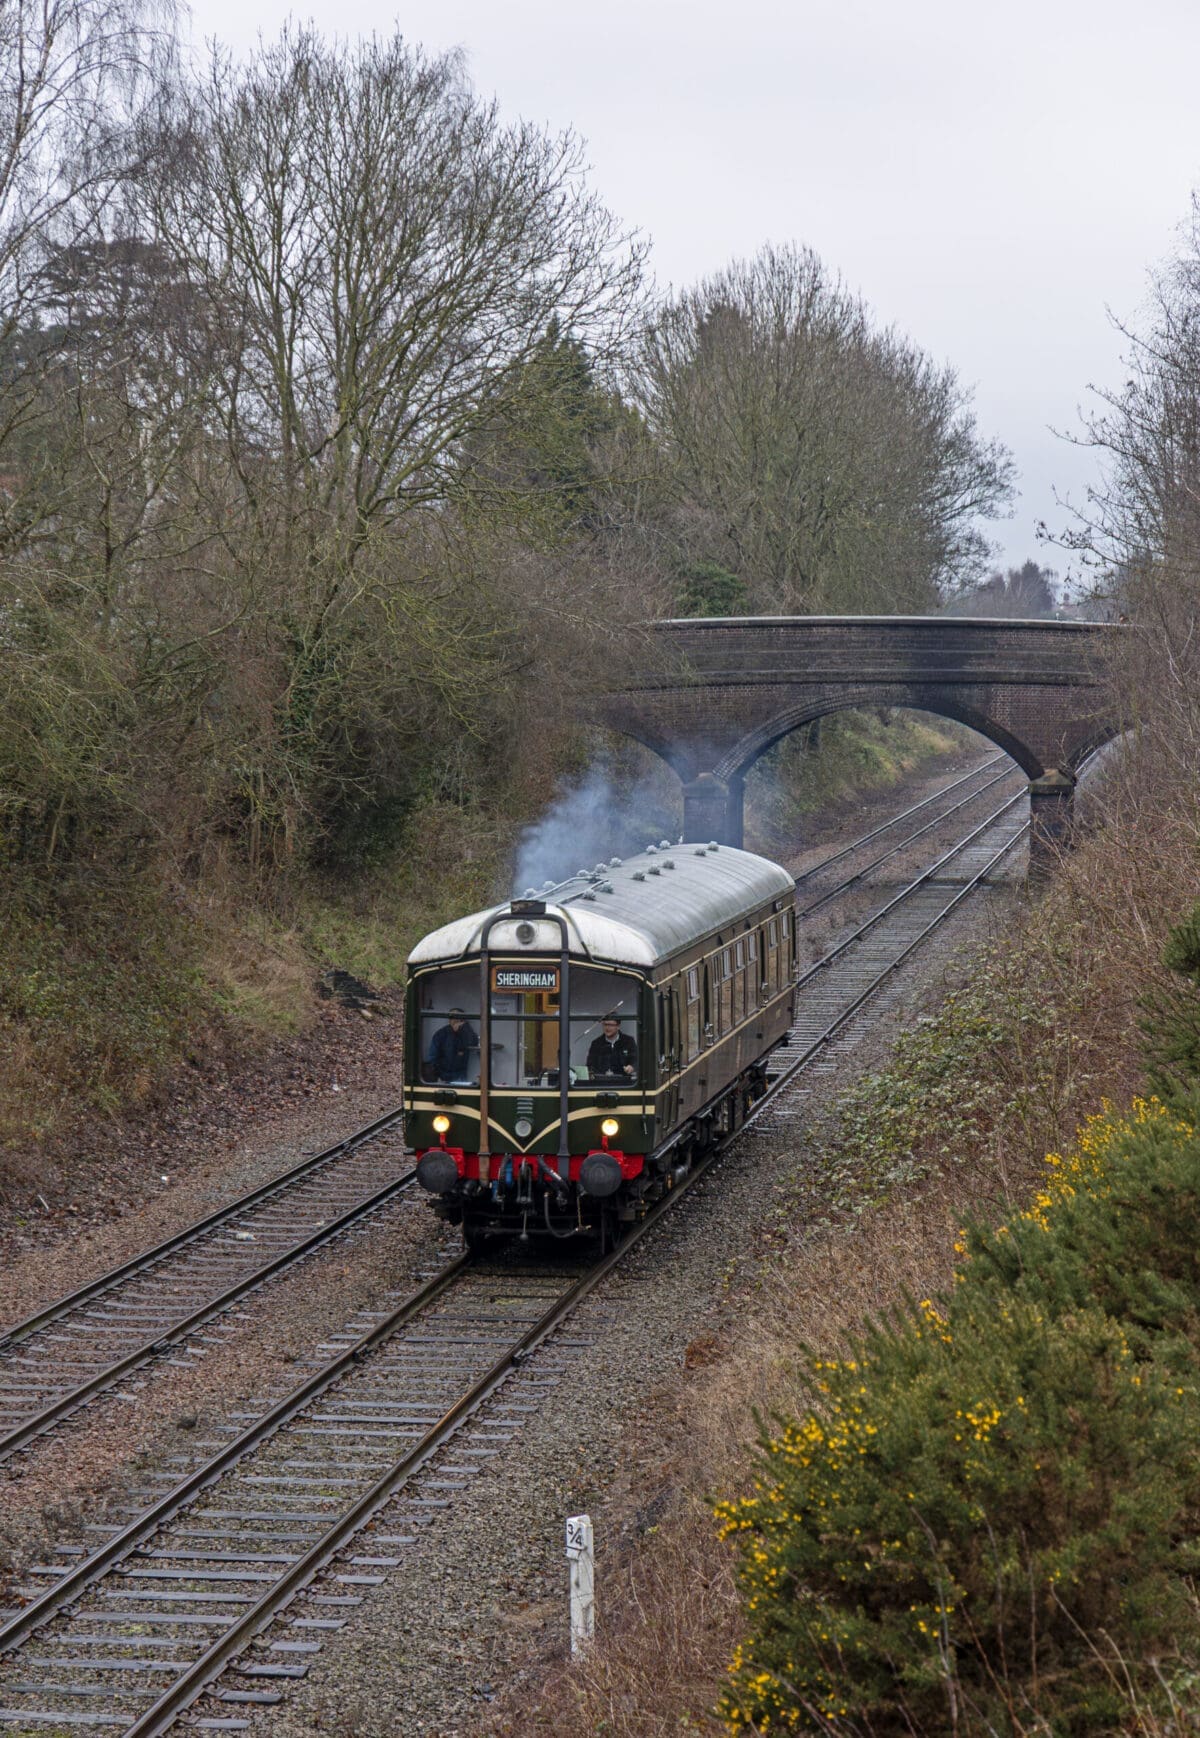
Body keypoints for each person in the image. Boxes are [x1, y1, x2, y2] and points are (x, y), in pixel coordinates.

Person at [427, 1008, 478, 1082]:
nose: (454, 1020)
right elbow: (432, 1057)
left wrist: (465, 1027)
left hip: (460, 1075)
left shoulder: (466, 1033)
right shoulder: (440, 1034)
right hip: (443, 1075)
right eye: (451, 1017)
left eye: (457, 1017)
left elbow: (474, 1043)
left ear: (462, 1020)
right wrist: (437, 1075)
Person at [587, 1013, 637, 1081]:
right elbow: (590, 1065)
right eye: (605, 1024)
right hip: (601, 1082)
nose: (607, 1028)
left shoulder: (628, 1041)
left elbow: (635, 1059)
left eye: (611, 1025)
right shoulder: (596, 1043)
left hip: (624, 1083)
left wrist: (631, 1067)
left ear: (618, 1026)